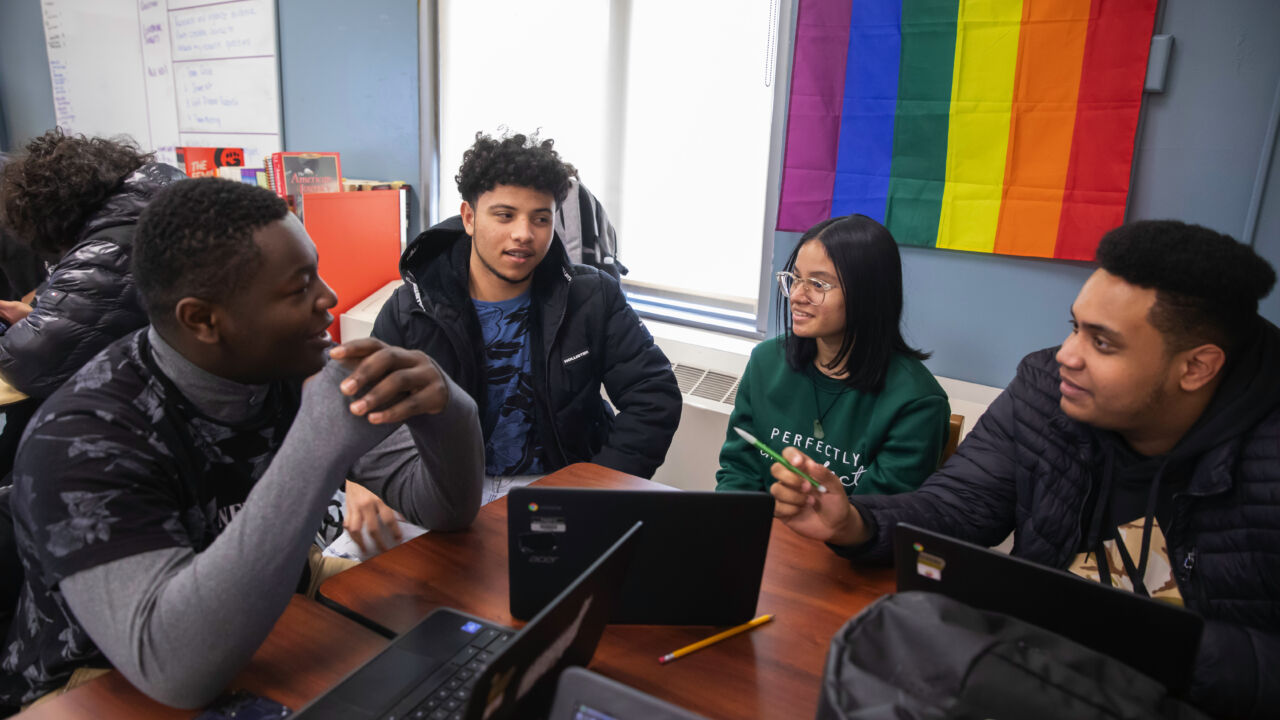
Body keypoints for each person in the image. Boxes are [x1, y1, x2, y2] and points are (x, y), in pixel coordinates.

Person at [0, 178, 484, 711]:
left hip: (276, 596)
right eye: (298, 288)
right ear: (204, 319)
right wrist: (319, 445)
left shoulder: (280, 364)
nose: (329, 299)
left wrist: (449, 409)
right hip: (102, 674)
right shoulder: (81, 438)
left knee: (466, 642)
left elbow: (445, 510)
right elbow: (175, 669)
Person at [767, 220, 1280, 719]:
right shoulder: (1044, 391)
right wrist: (855, 523)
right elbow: (958, 505)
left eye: (1102, 343)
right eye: (1074, 328)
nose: (1067, 357)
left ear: (1197, 367)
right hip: (1039, 682)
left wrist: (1138, 637)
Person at [373, 131, 680, 497]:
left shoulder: (591, 296)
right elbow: (371, 416)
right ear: (469, 218)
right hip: (446, 490)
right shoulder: (412, 309)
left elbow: (654, 394)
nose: (524, 234)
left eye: (540, 219)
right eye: (505, 215)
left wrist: (600, 485)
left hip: (559, 485)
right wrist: (366, 483)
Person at [716, 214, 950, 498]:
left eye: (818, 284)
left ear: (868, 293)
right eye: (796, 278)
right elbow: (738, 472)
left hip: (840, 542)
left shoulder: (917, 402)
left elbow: (878, 519)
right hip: (760, 533)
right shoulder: (766, 361)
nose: (797, 295)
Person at [0, 129, 185, 398]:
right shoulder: (157, 194)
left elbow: (28, 363)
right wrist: (36, 317)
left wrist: (31, 328)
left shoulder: (110, 250)